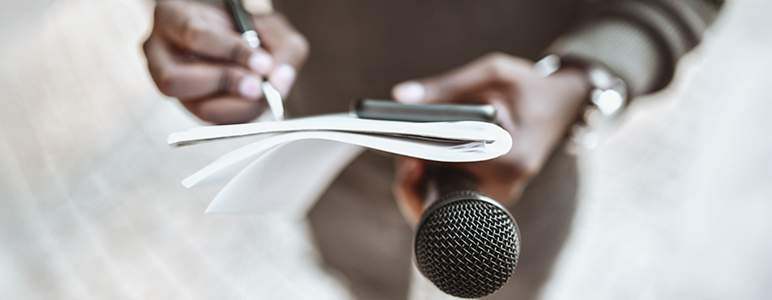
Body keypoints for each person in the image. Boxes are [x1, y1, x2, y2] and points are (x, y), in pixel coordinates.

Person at [143, 0, 721, 299]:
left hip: (510, 194)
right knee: (364, 283)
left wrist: (588, 79)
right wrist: (207, 26)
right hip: (332, 172)